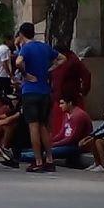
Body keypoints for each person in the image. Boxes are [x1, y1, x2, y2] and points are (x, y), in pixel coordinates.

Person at [15, 22, 66, 172]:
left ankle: (38, 160)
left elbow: (18, 62)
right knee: (44, 126)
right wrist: (50, 69)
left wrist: (25, 74)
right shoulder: (44, 47)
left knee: (34, 126)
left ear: (21, 34)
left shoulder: (26, 48)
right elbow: (62, 58)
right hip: (45, 90)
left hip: (30, 90)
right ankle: (49, 159)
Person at [18, 94, 92, 166]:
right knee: (37, 149)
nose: (60, 106)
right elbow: (61, 134)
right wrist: (51, 142)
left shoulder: (78, 116)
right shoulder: (67, 114)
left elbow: (71, 139)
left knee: (48, 152)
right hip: (67, 143)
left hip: (76, 146)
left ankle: (20, 156)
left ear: (70, 103)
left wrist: (54, 144)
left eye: (62, 103)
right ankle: (19, 152)